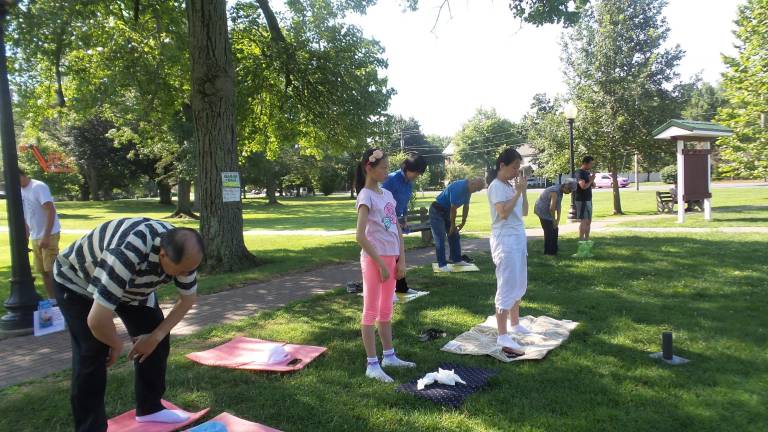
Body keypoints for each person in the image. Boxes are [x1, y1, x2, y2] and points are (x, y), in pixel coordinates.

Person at [53, 218, 204, 432]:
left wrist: (153, 338)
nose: (185, 275)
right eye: (180, 271)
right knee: (92, 352)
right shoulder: (126, 252)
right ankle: (90, 427)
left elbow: (187, 300)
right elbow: (96, 319)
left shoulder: (184, 253)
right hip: (78, 282)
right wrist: (115, 344)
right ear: (163, 255)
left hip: (133, 291)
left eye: (190, 270)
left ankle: (151, 409)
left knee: (156, 338)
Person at [354, 148, 415, 383]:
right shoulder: (365, 196)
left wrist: (402, 259)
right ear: (369, 168)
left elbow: (396, 227)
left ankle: (389, 356)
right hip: (374, 260)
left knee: (386, 311)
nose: (387, 172)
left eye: (388, 168)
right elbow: (360, 235)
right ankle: (372, 364)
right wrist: (379, 263)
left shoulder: (387, 194)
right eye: (384, 168)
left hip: (391, 258)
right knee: (370, 311)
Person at [486, 148, 529, 353]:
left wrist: (523, 191)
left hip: (518, 238)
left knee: (519, 281)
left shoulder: (510, 186)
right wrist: (518, 192)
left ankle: (515, 322)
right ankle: (503, 335)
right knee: (506, 283)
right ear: (502, 165)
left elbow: (525, 212)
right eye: (514, 167)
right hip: (505, 240)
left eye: (518, 168)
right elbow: (502, 213)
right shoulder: (496, 186)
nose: (516, 171)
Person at [382, 153, 427, 294]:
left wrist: (404, 219)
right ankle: (396, 287)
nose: (417, 176)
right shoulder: (391, 180)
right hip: (385, 221)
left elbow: (404, 203)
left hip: (396, 221)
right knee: (392, 253)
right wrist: (392, 221)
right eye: (416, 172)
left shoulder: (409, 183)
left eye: (419, 173)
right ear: (407, 168)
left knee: (396, 253)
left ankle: (400, 287)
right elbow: (382, 202)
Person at [19, 168, 62, 301]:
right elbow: (27, 217)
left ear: (21, 175)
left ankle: (62, 300)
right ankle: (52, 300)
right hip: (35, 236)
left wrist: (46, 236)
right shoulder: (20, 191)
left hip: (49, 234)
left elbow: (50, 211)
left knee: (52, 271)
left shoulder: (38, 187)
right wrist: (25, 240)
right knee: (43, 271)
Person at [429, 177, 485, 272]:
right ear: (472, 183)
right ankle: (442, 265)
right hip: (437, 210)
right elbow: (453, 208)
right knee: (440, 238)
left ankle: (457, 259)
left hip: (447, 212)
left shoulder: (469, 190)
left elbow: (466, 206)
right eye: (475, 189)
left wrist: (463, 221)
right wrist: (452, 225)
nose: (474, 192)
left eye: (476, 191)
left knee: (454, 235)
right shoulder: (458, 187)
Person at [533, 179, 576, 256]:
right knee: (549, 230)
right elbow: (552, 208)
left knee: (555, 229)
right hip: (542, 210)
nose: (570, 192)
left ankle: (554, 250)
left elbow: (558, 206)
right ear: (566, 186)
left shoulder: (561, 191)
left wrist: (558, 220)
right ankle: (548, 253)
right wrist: (553, 220)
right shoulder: (555, 191)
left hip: (548, 210)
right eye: (570, 190)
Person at [573, 156, 596, 258]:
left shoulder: (587, 173)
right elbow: (583, 186)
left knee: (589, 221)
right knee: (584, 221)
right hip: (581, 200)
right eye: (591, 163)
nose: (592, 165)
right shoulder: (579, 172)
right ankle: (581, 243)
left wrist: (592, 182)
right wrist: (591, 180)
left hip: (588, 200)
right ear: (585, 163)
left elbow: (590, 185)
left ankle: (587, 242)